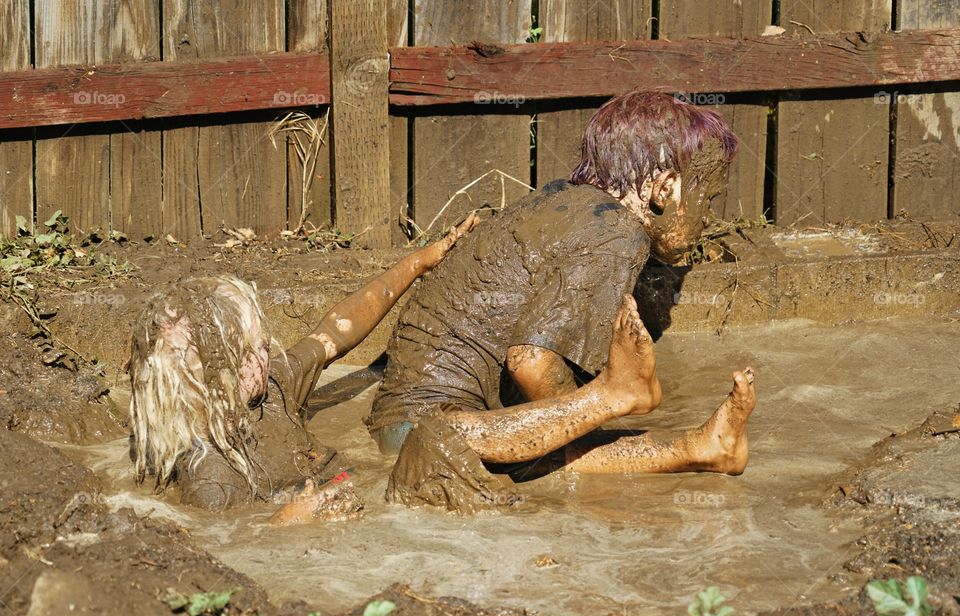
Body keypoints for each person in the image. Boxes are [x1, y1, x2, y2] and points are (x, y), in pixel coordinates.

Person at [368, 91, 757, 479]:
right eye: (707, 198)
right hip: (429, 436)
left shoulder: (564, 202)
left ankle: (702, 447)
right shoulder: (619, 231)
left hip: (405, 425)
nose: (707, 217)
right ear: (666, 188)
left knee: (551, 443)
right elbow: (530, 363)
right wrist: (597, 403)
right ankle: (694, 445)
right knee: (550, 452)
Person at [127, 214, 479, 512]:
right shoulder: (211, 480)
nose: (267, 349)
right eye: (252, 348)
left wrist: (417, 264)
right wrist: (288, 522)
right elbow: (232, 545)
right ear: (208, 380)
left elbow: (335, 334)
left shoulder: (272, 390)